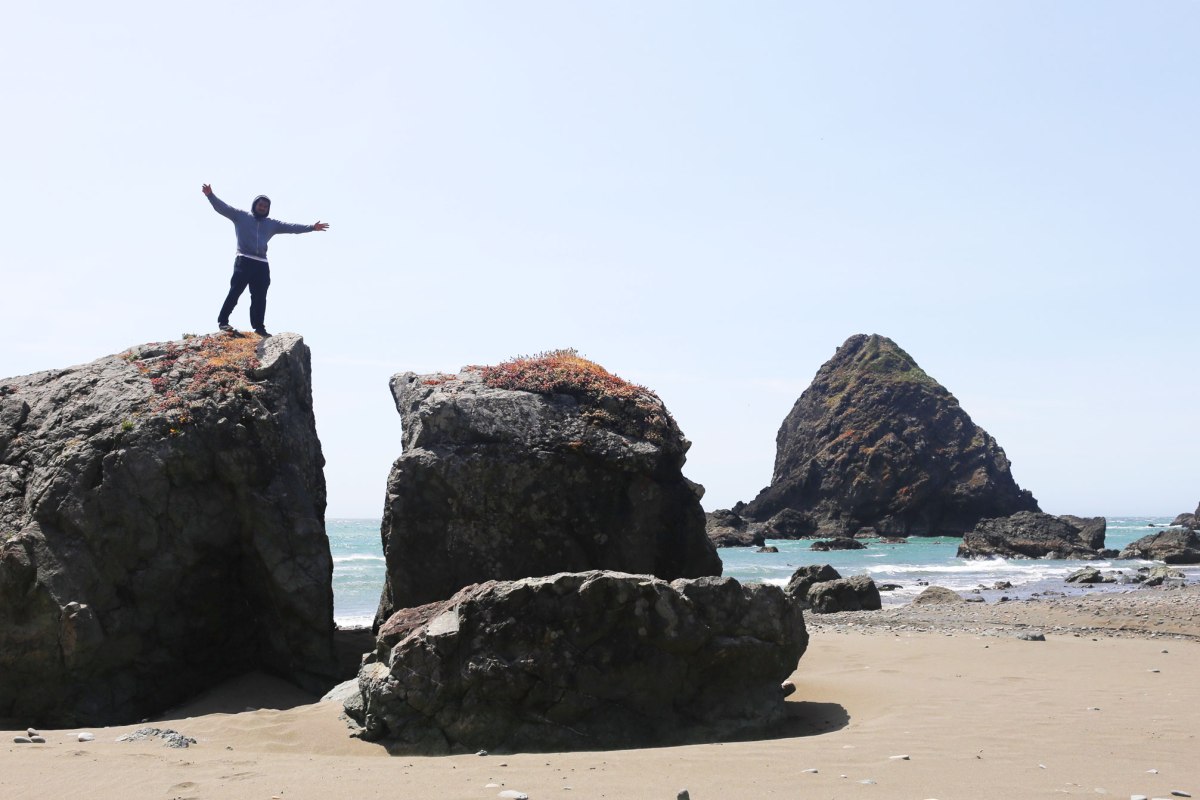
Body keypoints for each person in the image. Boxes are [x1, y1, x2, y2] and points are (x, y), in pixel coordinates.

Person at [202, 184, 329, 336]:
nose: (262, 207)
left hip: (262, 264)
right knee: (235, 291)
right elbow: (223, 208)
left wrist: (311, 227)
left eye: (265, 206)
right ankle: (223, 321)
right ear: (254, 205)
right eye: (260, 205)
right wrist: (210, 195)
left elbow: (291, 228)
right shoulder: (240, 216)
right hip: (244, 259)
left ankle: (259, 327)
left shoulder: (272, 224)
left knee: (260, 297)